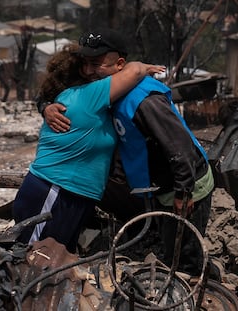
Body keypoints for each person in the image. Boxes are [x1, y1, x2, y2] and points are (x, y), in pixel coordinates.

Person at [40, 28, 214, 276]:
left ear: (119, 65)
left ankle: (208, 291)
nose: (89, 72)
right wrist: (45, 107)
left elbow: (179, 146)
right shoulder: (107, 88)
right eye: (86, 64)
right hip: (159, 184)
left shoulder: (144, 100)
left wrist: (183, 192)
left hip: (186, 184)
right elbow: (51, 89)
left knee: (185, 257)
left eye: (97, 64)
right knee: (172, 248)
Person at [13, 41, 165, 254]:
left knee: (54, 263)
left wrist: (44, 106)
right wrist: (144, 66)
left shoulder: (81, 99)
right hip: (55, 192)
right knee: (32, 260)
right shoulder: (86, 96)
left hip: (72, 195)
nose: (93, 70)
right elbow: (135, 71)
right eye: (89, 65)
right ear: (79, 71)